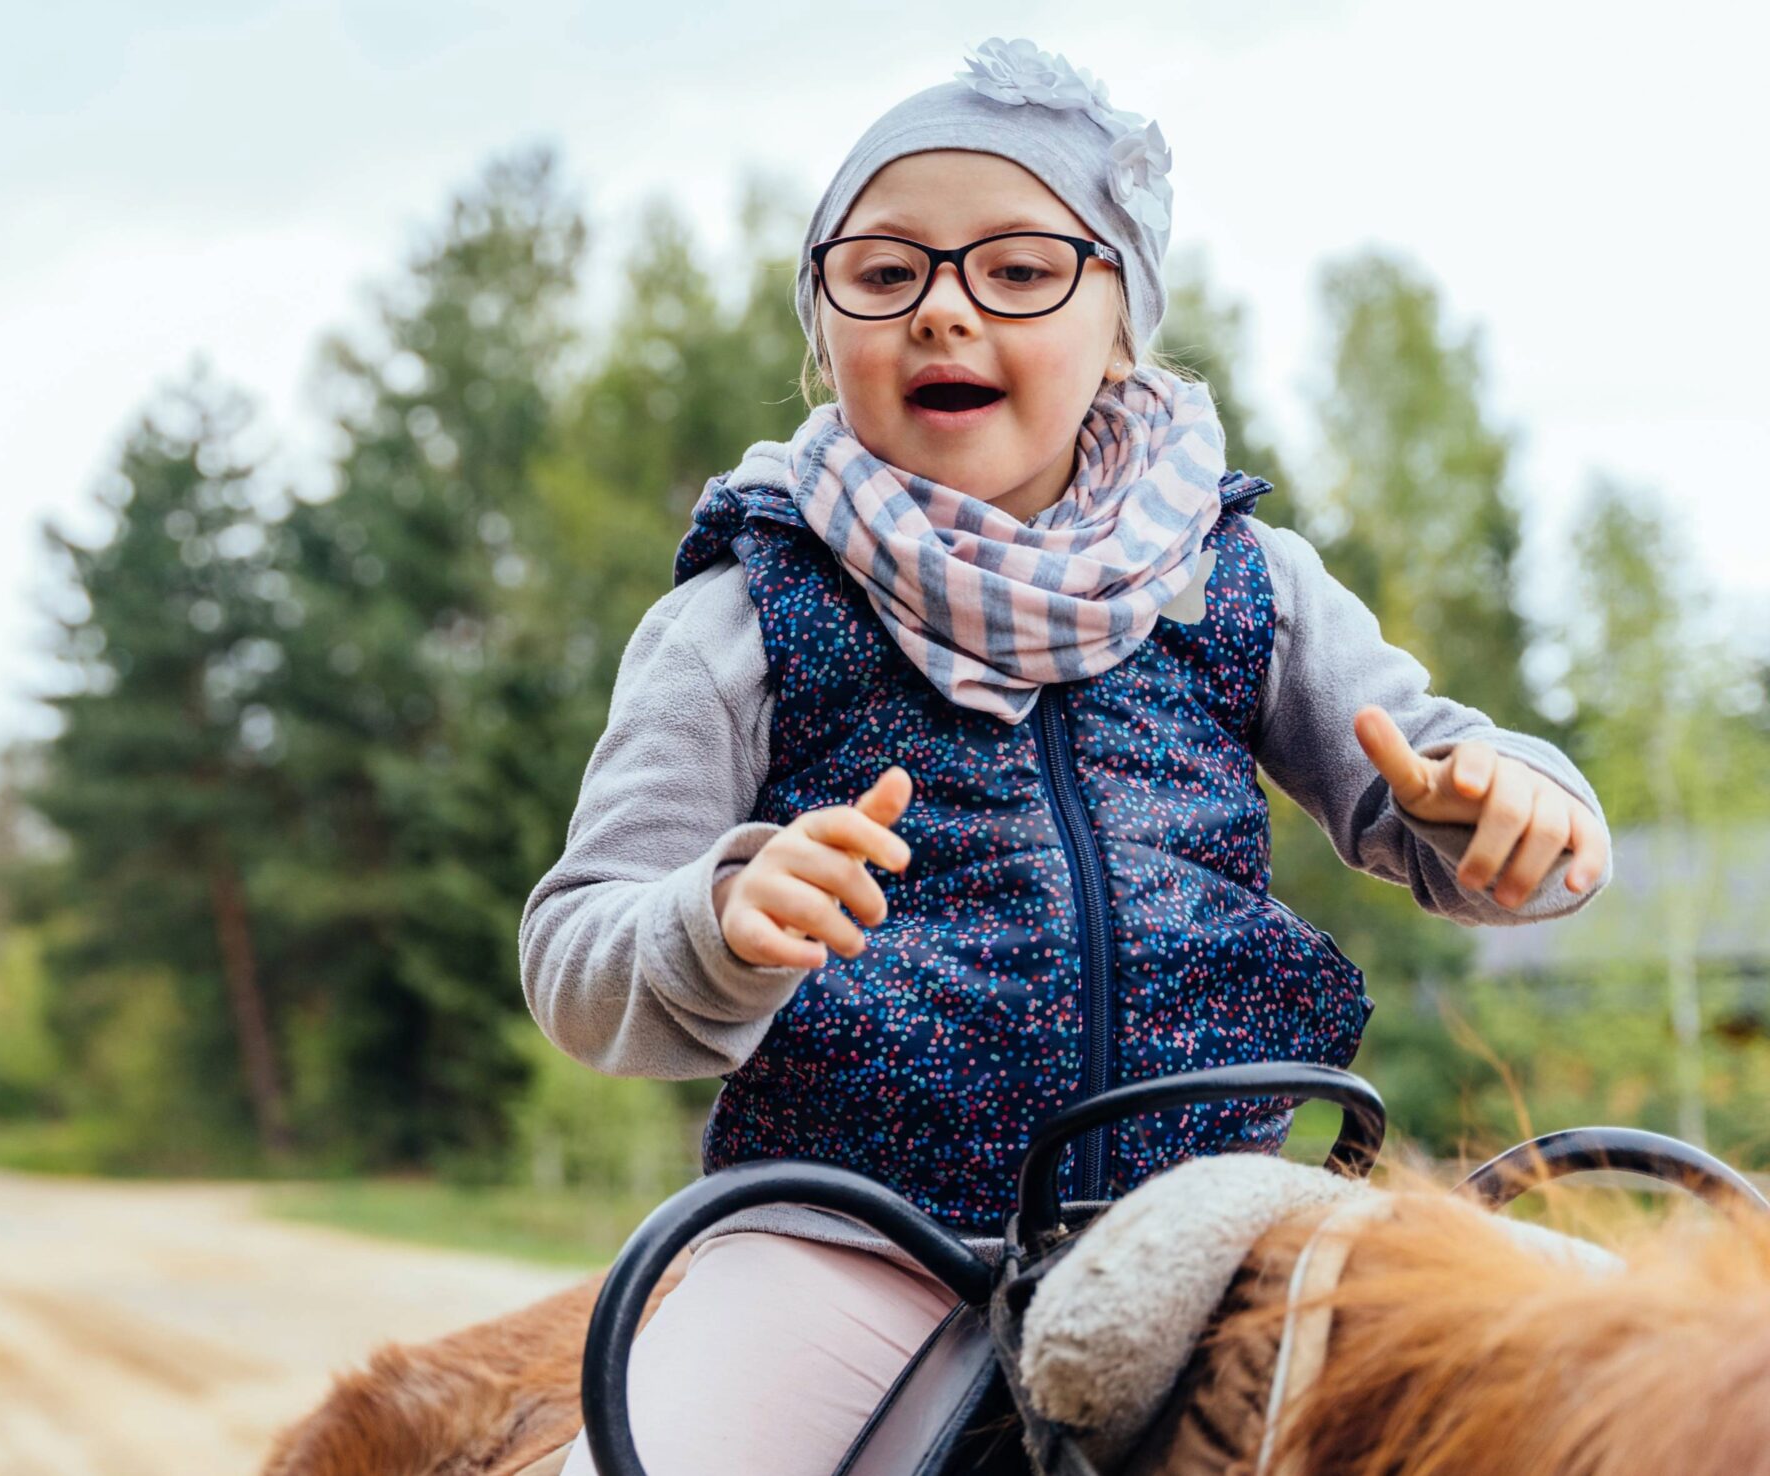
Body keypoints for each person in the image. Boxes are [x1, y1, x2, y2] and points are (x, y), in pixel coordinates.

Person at [519, 37, 1612, 1476]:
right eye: (885, 270)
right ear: (825, 316)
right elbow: (577, 953)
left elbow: (1438, 774)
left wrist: (1519, 810)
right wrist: (717, 920)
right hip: (862, 1239)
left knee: (1613, 1381)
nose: (945, 311)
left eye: (1022, 271)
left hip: (1228, 1218)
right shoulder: (738, 614)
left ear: (1121, 324)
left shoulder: (1246, 578)